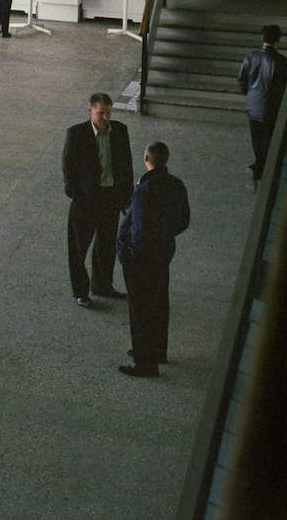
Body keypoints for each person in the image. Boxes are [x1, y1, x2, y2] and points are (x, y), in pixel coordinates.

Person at [117, 141, 191, 378]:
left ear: (146, 158)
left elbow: (138, 229)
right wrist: (166, 235)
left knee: (140, 310)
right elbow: (184, 220)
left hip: (141, 258)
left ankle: (144, 362)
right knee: (159, 302)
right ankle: (158, 351)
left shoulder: (144, 190)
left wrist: (129, 252)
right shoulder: (176, 185)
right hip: (163, 253)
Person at [61, 92, 134, 308]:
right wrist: (78, 196)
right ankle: (80, 291)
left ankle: (102, 285)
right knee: (78, 249)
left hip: (110, 198)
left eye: (108, 113)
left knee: (106, 245)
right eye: (101, 113)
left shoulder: (120, 131)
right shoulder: (76, 134)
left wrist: (126, 196)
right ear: (90, 111)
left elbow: (126, 165)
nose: (105, 118)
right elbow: (68, 168)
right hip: (86, 201)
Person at [238, 24, 287, 184]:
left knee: (256, 138)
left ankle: (258, 167)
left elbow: (242, 80)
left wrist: (249, 94)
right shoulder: (282, 62)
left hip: (253, 105)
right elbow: (286, 87)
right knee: (268, 139)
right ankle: (260, 169)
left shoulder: (251, 57)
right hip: (271, 108)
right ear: (278, 40)